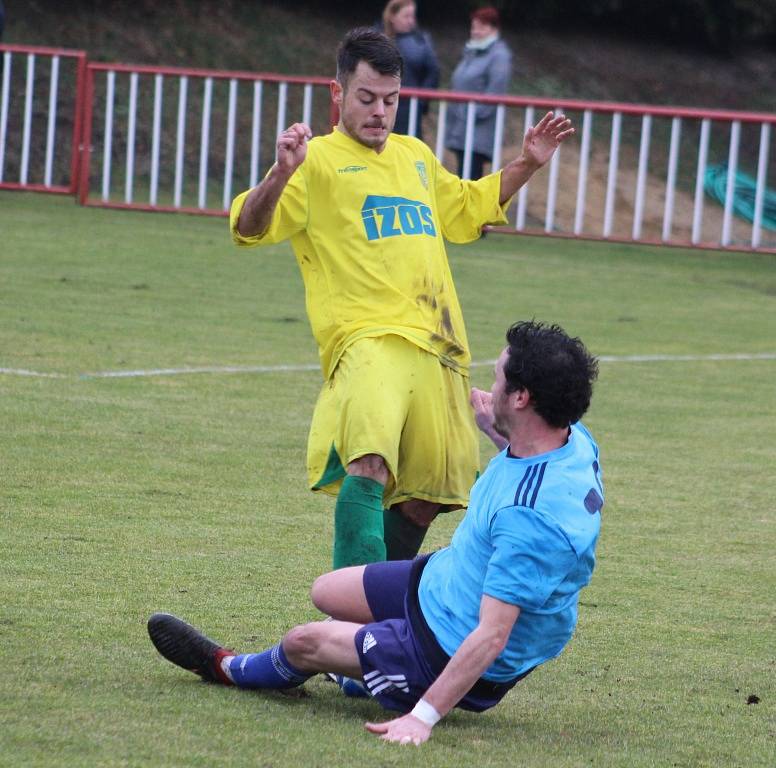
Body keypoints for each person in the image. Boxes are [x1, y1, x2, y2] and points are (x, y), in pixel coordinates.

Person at [147, 320, 603, 746]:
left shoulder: (531, 522)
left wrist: (421, 718)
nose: (492, 385)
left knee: (304, 642)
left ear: (522, 398)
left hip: (446, 645)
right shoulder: (571, 440)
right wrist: (497, 432)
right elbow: (531, 472)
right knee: (326, 592)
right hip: (444, 583)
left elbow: (491, 635)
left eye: (500, 377)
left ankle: (227, 668)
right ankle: (363, 672)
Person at [230, 27, 574, 570]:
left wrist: (527, 162)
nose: (380, 112)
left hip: (439, 346)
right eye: (366, 98)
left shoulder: (414, 156)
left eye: (391, 100)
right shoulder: (315, 161)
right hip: (367, 341)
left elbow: (465, 210)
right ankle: (349, 623)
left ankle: (367, 615)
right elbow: (249, 226)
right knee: (369, 463)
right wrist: (280, 172)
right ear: (338, 94)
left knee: (429, 495)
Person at [445, 7, 513, 179]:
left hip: (478, 132)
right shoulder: (472, 52)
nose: (475, 32)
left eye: (481, 27)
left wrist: (469, 114)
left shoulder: (499, 56)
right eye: (473, 27)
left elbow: (495, 93)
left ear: (494, 29)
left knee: (472, 179)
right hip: (462, 129)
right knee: (464, 176)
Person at [380, 0, 439, 139]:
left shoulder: (422, 41)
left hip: (410, 108)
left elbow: (433, 71)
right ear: (392, 17)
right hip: (383, 105)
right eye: (406, 16)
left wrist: (422, 101)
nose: (411, 21)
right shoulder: (378, 37)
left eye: (413, 16)